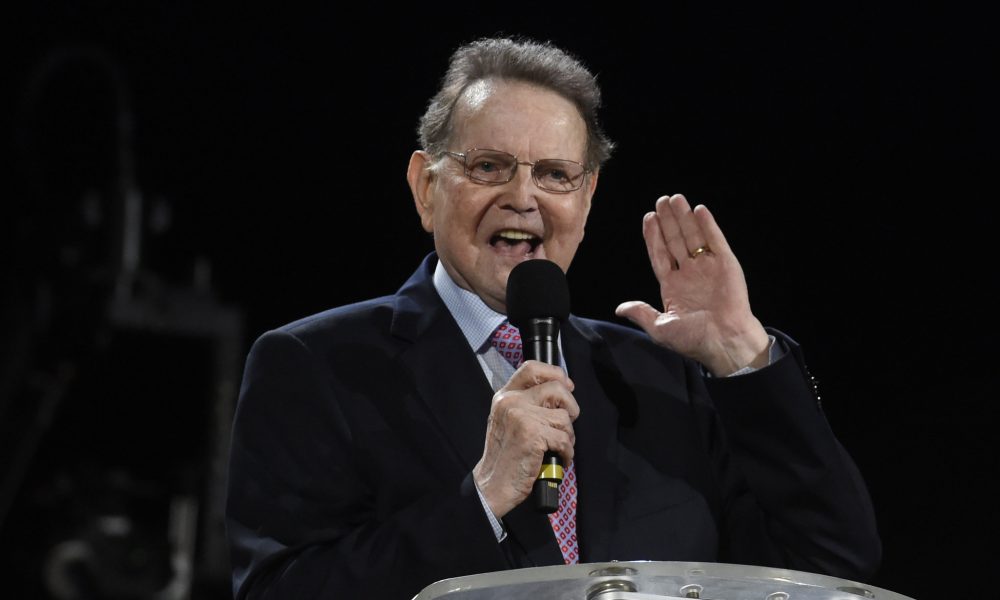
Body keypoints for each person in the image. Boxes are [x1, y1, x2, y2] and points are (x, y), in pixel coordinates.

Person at [224, 36, 881, 599]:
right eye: (490, 167)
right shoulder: (316, 366)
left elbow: (831, 565)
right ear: (426, 187)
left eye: (555, 175)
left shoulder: (661, 379)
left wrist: (740, 352)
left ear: (587, 196)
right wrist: (482, 498)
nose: (522, 197)